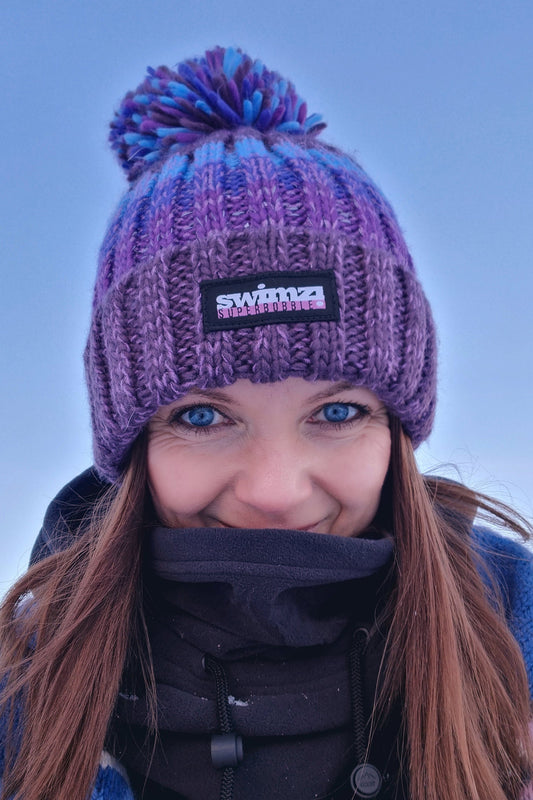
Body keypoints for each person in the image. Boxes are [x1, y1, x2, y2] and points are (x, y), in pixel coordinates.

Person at [1, 45, 532, 800]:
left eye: (337, 412)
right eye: (202, 415)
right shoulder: (23, 685)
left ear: (396, 429)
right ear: (133, 442)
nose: (276, 493)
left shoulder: (513, 628)